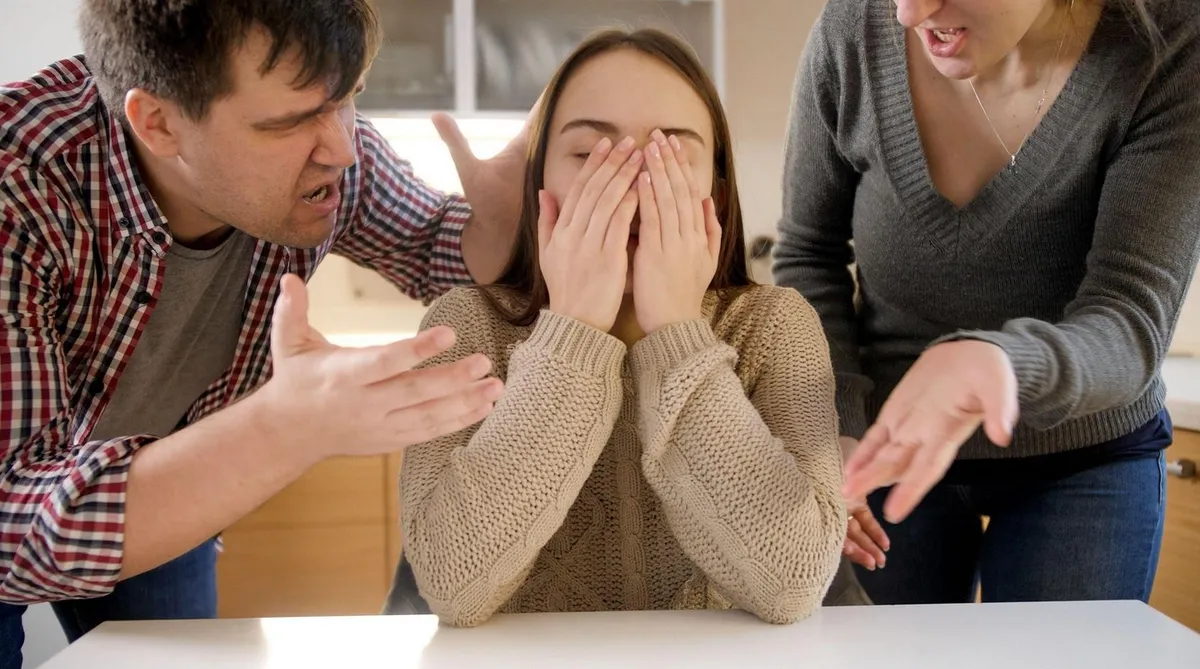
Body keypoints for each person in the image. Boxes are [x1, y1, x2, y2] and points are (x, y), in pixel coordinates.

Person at [0, 0, 526, 663]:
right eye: (291, 122)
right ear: (158, 123)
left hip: (168, 455)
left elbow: (428, 241)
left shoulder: (334, 153)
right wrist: (287, 425)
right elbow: (13, 527)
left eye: (347, 99)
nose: (341, 147)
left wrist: (498, 234)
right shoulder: (20, 183)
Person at [382, 28, 858, 628]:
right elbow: (453, 585)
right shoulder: (465, 329)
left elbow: (792, 584)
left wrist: (678, 332)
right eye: (590, 156)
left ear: (716, 188)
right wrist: (572, 332)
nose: (632, 185)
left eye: (671, 154)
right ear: (540, 186)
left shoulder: (775, 327)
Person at [774, 0, 1200, 605]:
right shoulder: (853, 29)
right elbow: (808, 256)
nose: (908, 13)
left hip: (1083, 457)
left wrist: (1001, 363)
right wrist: (837, 421)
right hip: (883, 453)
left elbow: (1131, 320)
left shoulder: (1167, 44)